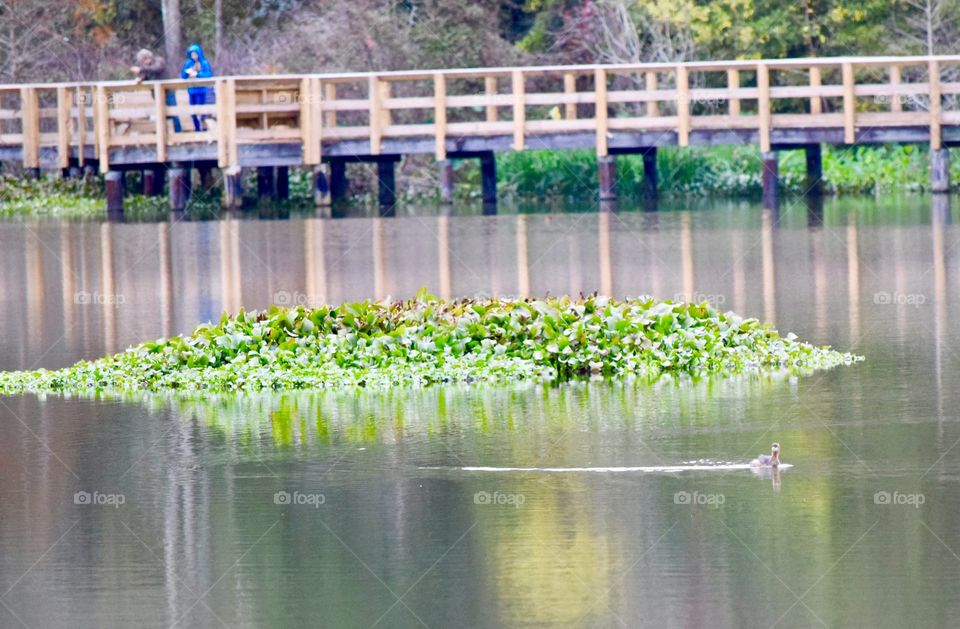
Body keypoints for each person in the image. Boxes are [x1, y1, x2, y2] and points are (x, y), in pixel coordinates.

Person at [130, 48, 181, 132]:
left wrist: (141, 69)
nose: (142, 64)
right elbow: (145, 76)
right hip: (157, 94)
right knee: (162, 114)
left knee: (173, 113)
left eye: (143, 61)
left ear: (148, 58)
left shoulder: (159, 61)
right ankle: (164, 135)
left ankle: (178, 133)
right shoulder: (147, 68)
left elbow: (156, 69)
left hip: (168, 92)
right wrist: (140, 79)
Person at [180, 44, 214, 131]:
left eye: (195, 54)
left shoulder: (204, 63)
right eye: (192, 54)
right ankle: (197, 129)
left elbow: (208, 75)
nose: (194, 56)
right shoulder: (188, 63)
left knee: (202, 111)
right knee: (193, 112)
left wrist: (198, 74)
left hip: (201, 90)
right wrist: (187, 72)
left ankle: (204, 128)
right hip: (192, 90)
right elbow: (183, 76)